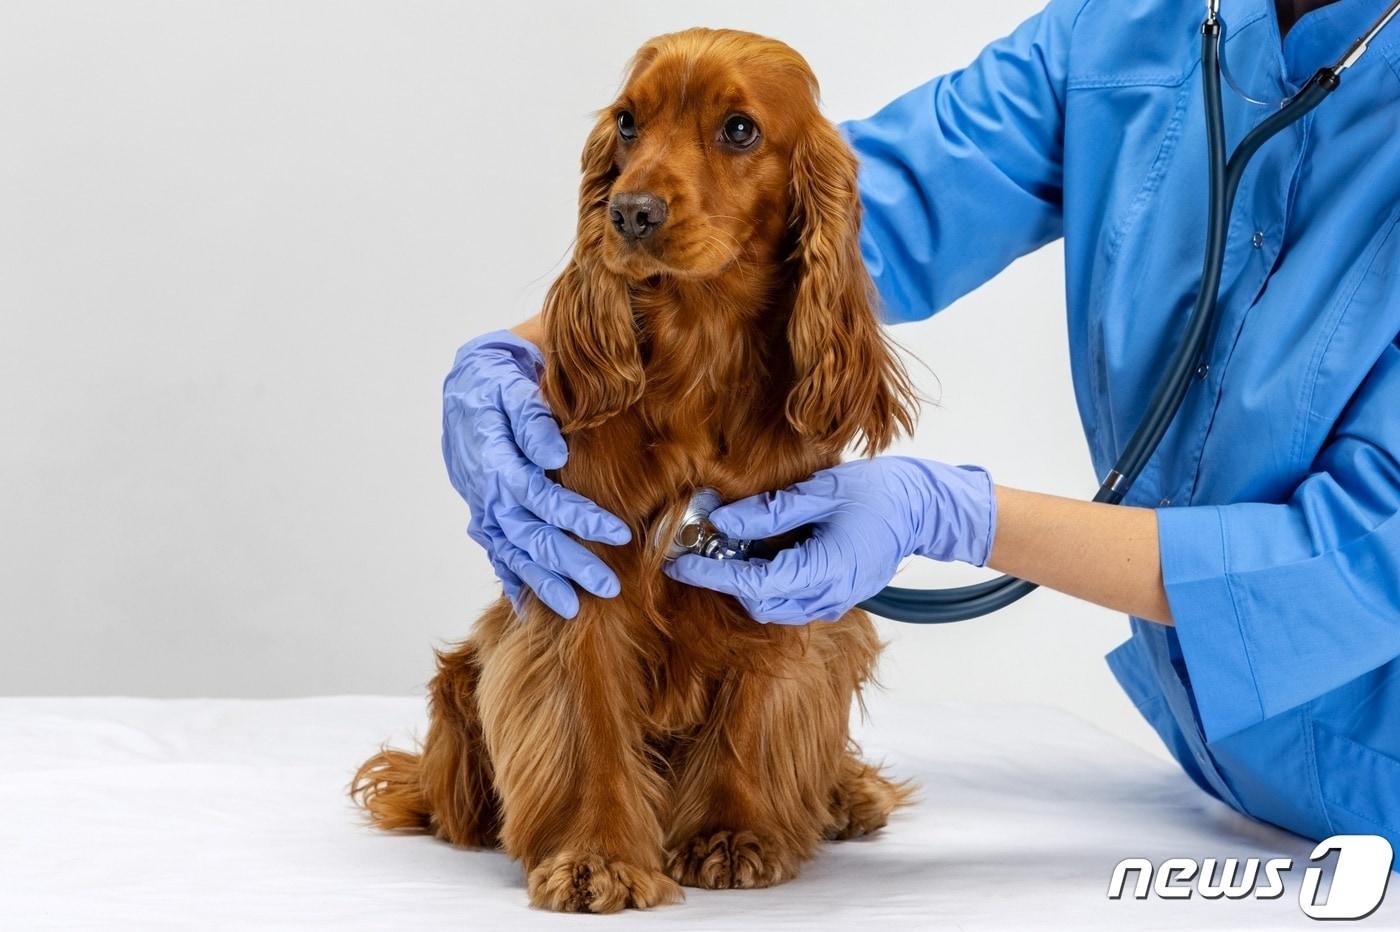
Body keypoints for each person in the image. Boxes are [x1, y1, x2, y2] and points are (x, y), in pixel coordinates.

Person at [443, 0, 1400, 849]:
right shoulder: (1131, 27)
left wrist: (957, 515)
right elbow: (840, 218)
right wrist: (523, 353)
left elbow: (1365, 560)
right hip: (1224, 799)